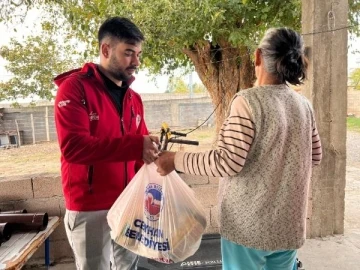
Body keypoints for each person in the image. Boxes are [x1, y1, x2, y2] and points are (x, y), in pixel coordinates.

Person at [155, 27, 322, 270]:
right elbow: (315, 156)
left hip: (248, 229)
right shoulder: (303, 105)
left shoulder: (248, 101)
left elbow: (226, 162)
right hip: (289, 225)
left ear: (258, 56)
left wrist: (174, 160)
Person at [54, 17, 159, 270]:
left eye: (138, 54)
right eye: (129, 53)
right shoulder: (73, 89)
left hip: (128, 202)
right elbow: (74, 147)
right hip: (90, 207)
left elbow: (140, 149)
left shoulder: (134, 98)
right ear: (106, 50)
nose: (136, 62)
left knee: (128, 266)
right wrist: (137, 145)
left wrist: (155, 157)